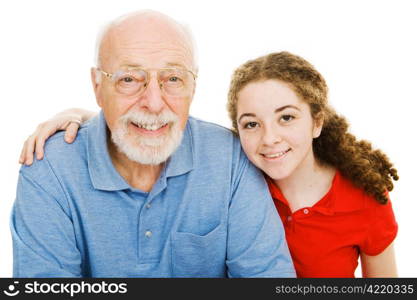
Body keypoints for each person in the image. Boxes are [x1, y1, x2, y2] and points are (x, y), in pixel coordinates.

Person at [19, 49, 399, 277]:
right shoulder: (237, 174)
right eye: (251, 124)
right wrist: (87, 118)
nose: (269, 138)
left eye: (287, 118)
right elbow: (155, 126)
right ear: (237, 130)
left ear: (317, 121)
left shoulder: (365, 199)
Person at [11, 11, 296, 278]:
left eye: (173, 78)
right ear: (98, 87)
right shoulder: (49, 170)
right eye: (129, 79)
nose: (154, 103)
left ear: (193, 87)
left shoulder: (231, 158)